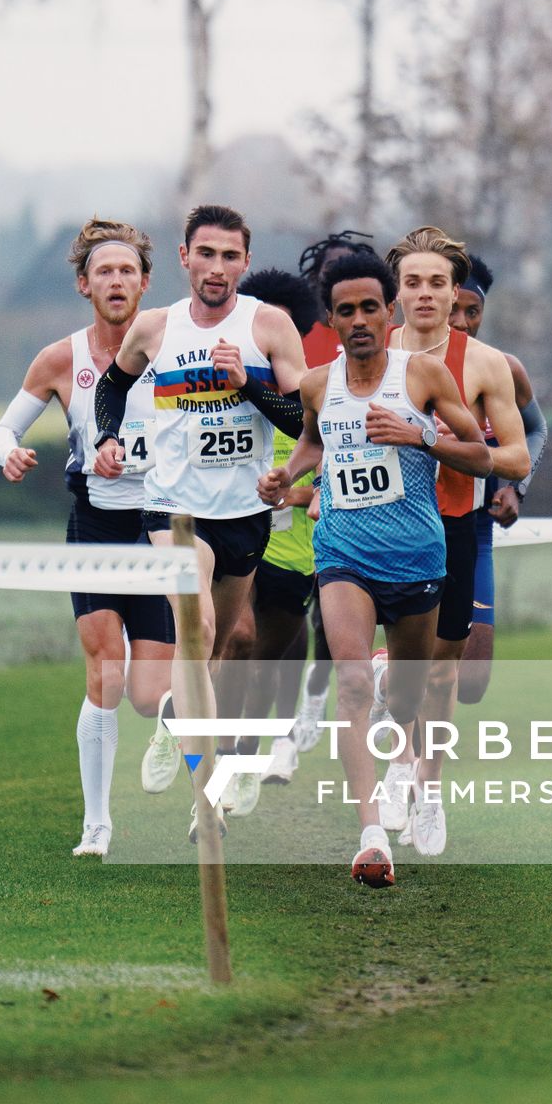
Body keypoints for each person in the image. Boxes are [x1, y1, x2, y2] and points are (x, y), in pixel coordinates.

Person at [257, 247, 491, 888]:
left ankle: (407, 740)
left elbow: (480, 456)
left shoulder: (423, 376)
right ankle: (370, 836)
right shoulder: (316, 383)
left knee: (407, 696)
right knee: (353, 684)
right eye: (345, 310)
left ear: (388, 311)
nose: (358, 319)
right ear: (330, 320)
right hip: (343, 554)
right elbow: (312, 438)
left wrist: (420, 436)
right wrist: (288, 475)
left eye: (369, 307)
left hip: (417, 557)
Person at [93, 203, 308, 828]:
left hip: (245, 512)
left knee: (220, 651)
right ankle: (205, 798)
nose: (217, 268)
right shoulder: (155, 328)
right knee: (199, 633)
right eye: (205, 254)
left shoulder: (269, 327)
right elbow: (113, 386)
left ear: (245, 261)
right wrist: (109, 436)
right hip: (172, 508)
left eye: (230, 256)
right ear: (185, 258)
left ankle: (173, 721)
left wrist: (247, 385)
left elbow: (304, 421)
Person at [0, 218, 174, 858]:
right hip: (94, 528)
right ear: (83, 284)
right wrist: (9, 453)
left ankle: (185, 740)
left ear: (146, 282)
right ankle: (97, 825)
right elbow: (2, 431)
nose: (117, 281)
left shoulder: (176, 347)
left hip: (163, 532)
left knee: (150, 698)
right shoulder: (59, 358)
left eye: (128, 271)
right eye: (104, 271)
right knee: (106, 675)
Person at [384, 226, 529, 855]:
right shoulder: (369, 351)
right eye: (412, 282)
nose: (424, 294)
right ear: (396, 291)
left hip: (452, 527)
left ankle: (431, 788)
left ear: (454, 292)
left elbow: (519, 458)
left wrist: (439, 445)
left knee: (441, 675)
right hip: (381, 526)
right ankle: (396, 760)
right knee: (389, 667)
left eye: (436, 283)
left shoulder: (486, 364)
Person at [227, 267, 322, 785]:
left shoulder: (317, 392)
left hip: (295, 549)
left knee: (266, 662)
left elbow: (342, 474)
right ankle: (222, 760)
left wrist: (301, 491)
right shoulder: (227, 385)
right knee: (235, 643)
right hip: (239, 539)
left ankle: (253, 746)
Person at [450, 254, 548, 703]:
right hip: (418, 533)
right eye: (455, 309)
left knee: (471, 684)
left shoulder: (504, 368)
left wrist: (516, 488)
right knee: (423, 662)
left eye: (473, 311)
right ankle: (412, 765)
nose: (464, 322)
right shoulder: (405, 366)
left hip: (478, 533)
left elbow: (536, 428)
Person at [289, 232, 373, 752]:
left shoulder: (380, 341)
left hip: (368, 501)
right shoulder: (301, 341)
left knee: (338, 610)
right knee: (301, 609)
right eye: (330, 273)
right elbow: (305, 425)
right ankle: (304, 703)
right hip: (304, 491)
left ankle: (323, 697)